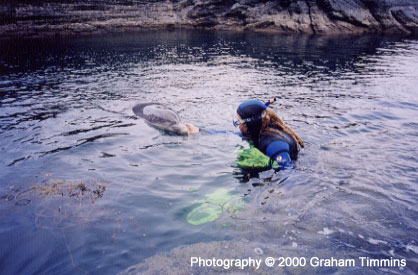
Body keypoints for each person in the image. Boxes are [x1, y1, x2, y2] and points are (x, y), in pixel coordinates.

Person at [234, 99, 304, 168]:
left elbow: (289, 171)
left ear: (250, 124)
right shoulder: (261, 128)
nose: (238, 126)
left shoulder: (274, 144)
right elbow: (239, 134)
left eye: (238, 122)